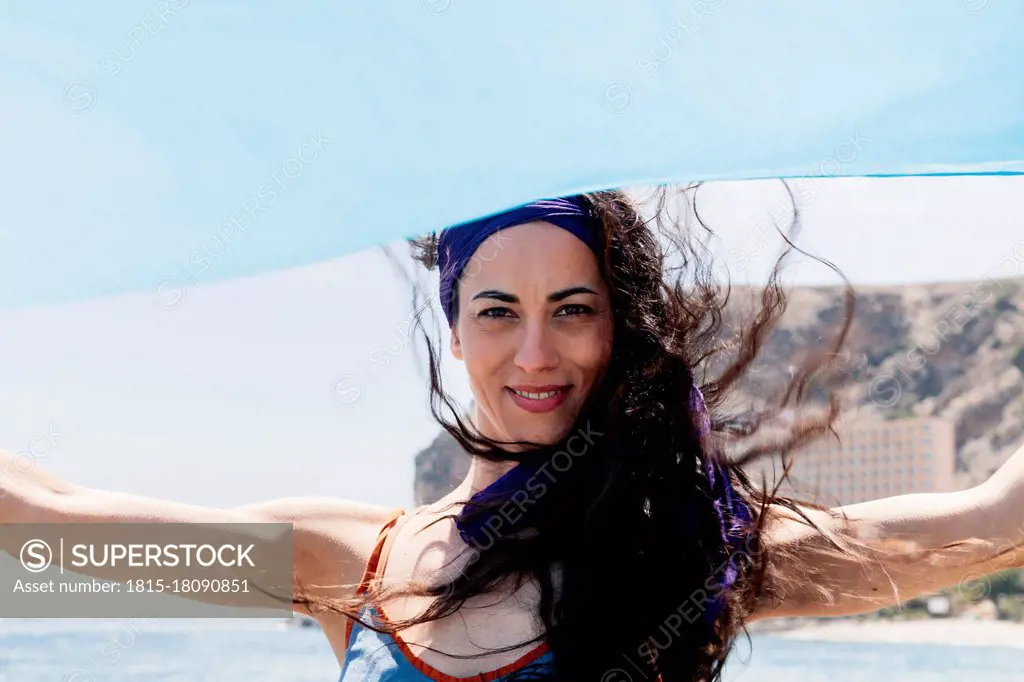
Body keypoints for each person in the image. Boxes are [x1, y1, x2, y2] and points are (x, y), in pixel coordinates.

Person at [2, 189, 1023, 681]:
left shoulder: (687, 543)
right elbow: (48, 524)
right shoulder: (351, 561)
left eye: (572, 308)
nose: (536, 350)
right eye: (498, 311)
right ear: (454, 330)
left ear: (614, 327)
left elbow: (988, 521)